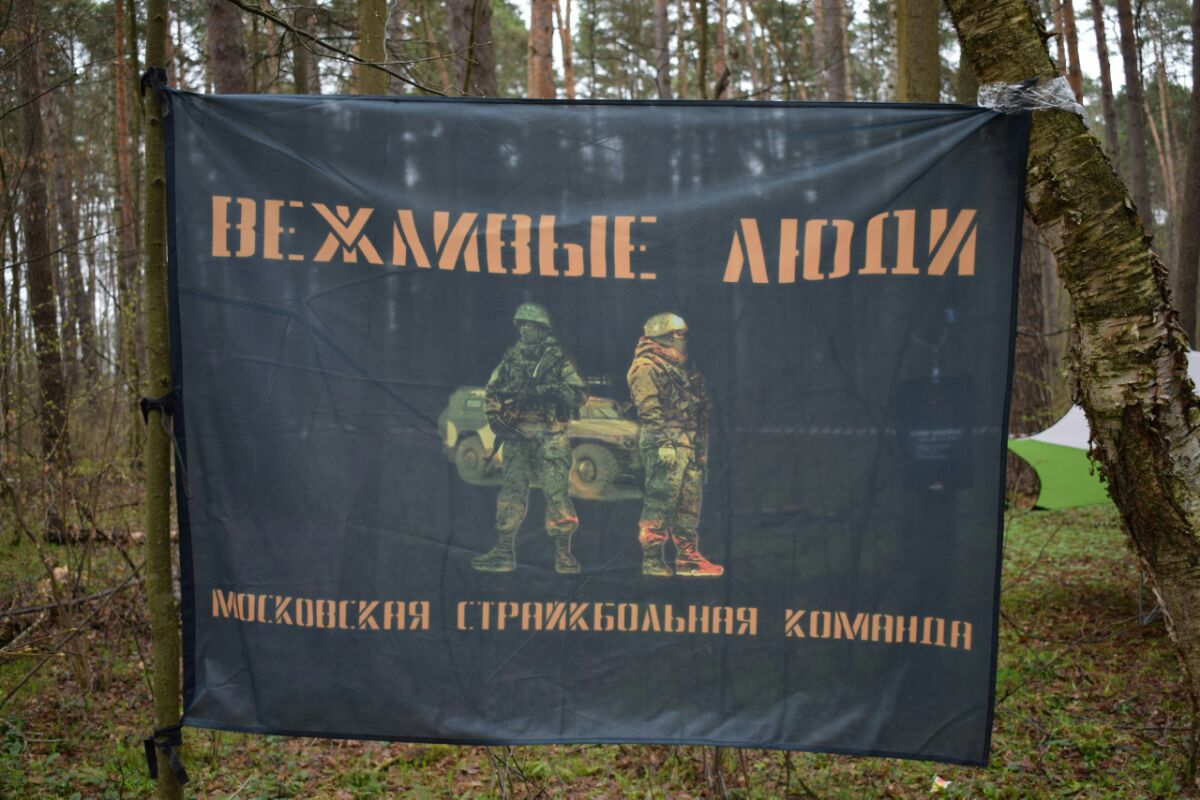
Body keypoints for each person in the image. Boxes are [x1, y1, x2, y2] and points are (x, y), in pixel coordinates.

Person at [472, 303, 587, 574]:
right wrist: (495, 418)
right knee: (512, 493)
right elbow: (492, 391)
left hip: (551, 437)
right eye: (521, 325)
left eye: (530, 325)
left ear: (542, 329)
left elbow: (579, 394)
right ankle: (503, 551)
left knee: (556, 494)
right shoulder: (511, 359)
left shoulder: (558, 359)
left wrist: (549, 390)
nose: (524, 329)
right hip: (517, 436)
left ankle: (563, 553)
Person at [627, 313, 724, 577]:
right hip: (666, 444)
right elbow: (649, 408)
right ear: (665, 337)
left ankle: (688, 558)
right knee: (660, 500)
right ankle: (652, 559)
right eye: (680, 334)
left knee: (689, 502)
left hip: (688, 444)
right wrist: (663, 443)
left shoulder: (681, 367)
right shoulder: (646, 366)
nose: (684, 339)